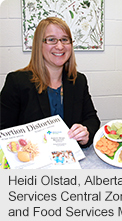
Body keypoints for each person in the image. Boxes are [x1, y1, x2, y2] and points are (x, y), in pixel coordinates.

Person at [0, 17, 100, 147]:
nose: (60, 46)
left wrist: (86, 133)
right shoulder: (17, 82)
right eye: (51, 40)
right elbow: (3, 129)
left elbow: (92, 119)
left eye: (65, 39)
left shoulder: (78, 81)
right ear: (38, 45)